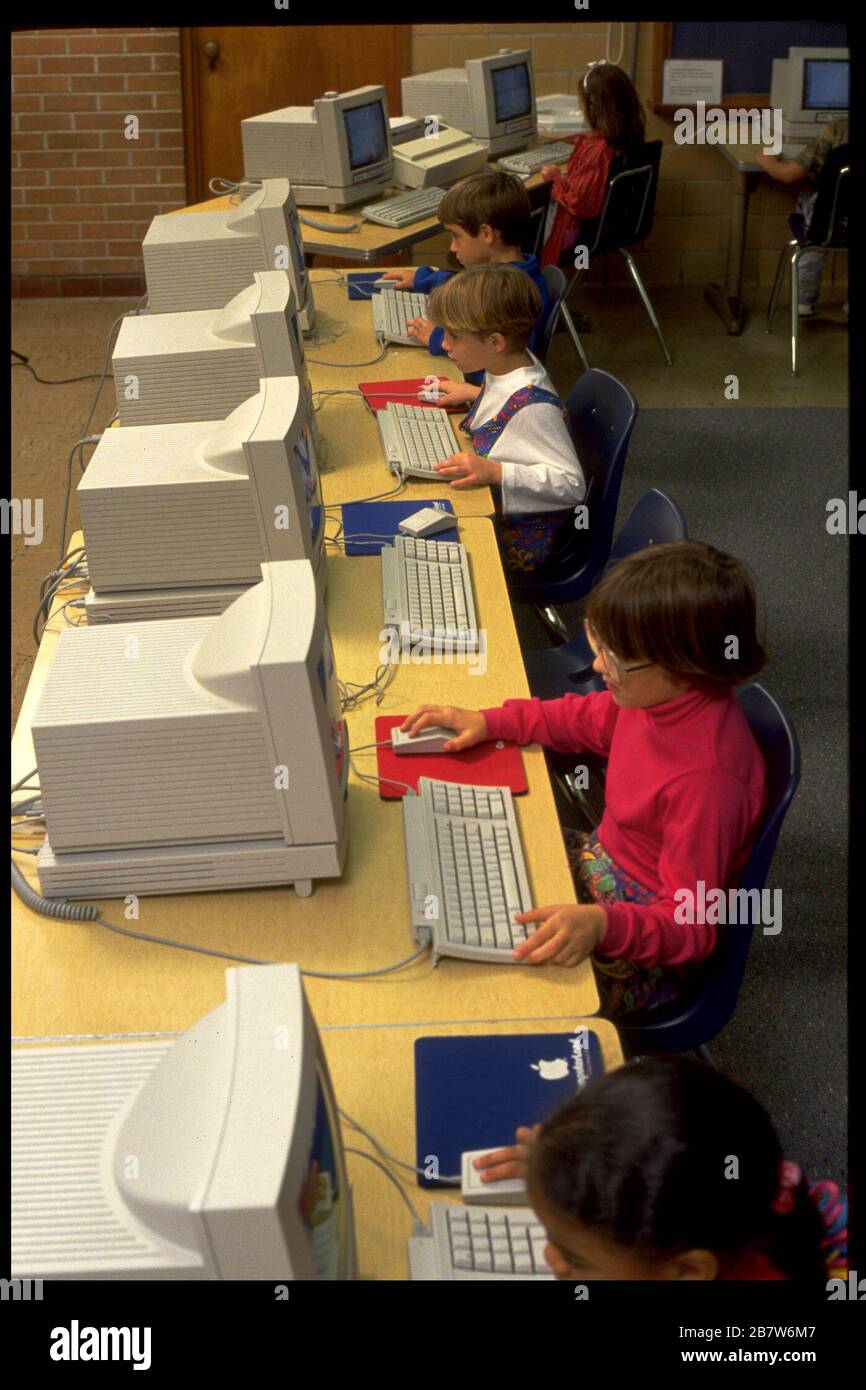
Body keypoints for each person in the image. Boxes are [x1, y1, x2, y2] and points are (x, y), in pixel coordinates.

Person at [400, 540, 769, 1013]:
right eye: (598, 641)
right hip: (605, 867)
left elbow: (692, 930)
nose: (596, 665)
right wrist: (490, 722)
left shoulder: (706, 782)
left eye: (614, 658)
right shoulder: (651, 698)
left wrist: (602, 925)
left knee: (486, 982)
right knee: (452, 853)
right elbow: (579, 721)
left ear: (685, 664)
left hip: (644, 941)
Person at [472, 1055, 848, 1285]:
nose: (548, 1258)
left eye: (572, 1258)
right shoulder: (738, 1189)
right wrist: (558, 1161)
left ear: (687, 1273)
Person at [422, 263, 585, 572]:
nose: (444, 344)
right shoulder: (508, 364)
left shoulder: (534, 410)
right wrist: (473, 393)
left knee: (431, 554)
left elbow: (573, 486)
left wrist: (497, 472)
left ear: (495, 343)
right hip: (498, 506)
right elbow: (507, 397)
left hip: (525, 535)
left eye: (453, 336)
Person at [380, 170, 550, 376]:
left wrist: (436, 339)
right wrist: (422, 279)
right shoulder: (516, 271)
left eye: (456, 237)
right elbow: (466, 285)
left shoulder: (506, 296)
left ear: (486, 234)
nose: (453, 247)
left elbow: (501, 368)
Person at [538, 61, 646, 270]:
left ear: (594, 108)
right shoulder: (629, 137)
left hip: (581, 238)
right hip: (619, 225)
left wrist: (554, 178)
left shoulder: (598, 153)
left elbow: (580, 203)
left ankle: (540, 286)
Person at [755, 118, 849, 316]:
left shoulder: (837, 130)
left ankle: (804, 298)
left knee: (815, 221)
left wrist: (766, 159)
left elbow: (787, 175)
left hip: (832, 229)